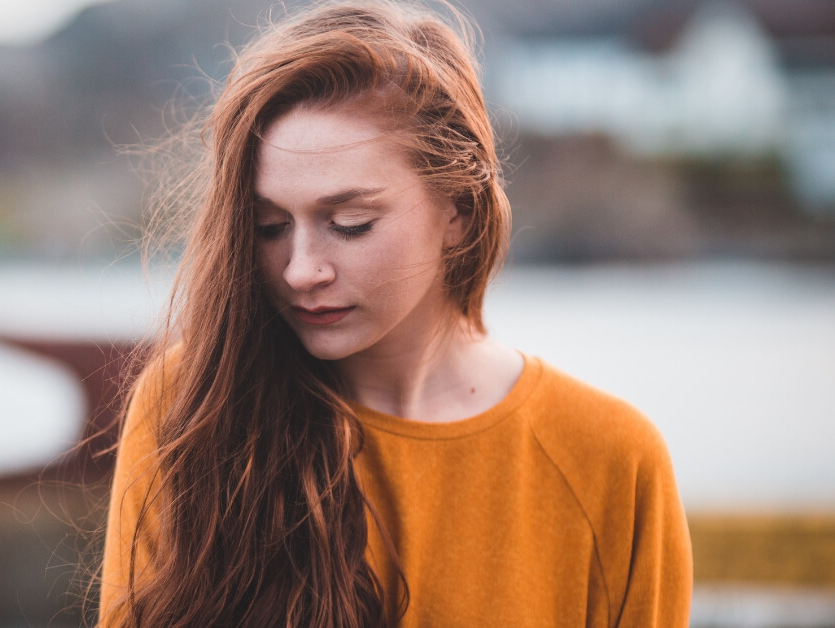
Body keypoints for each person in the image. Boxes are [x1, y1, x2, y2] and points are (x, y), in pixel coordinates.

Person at [98, 1, 692, 626]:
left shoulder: (611, 460)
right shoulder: (195, 411)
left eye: (350, 224)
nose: (301, 269)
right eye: (268, 226)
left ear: (458, 210)